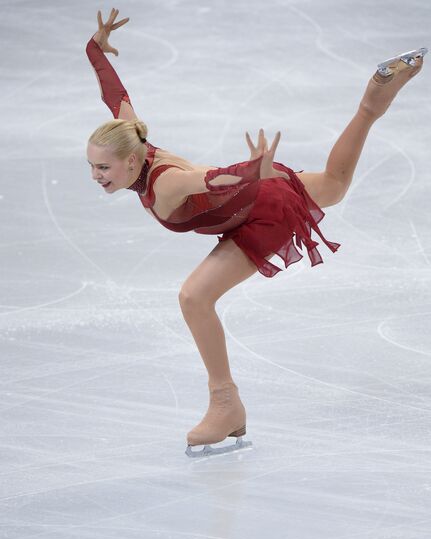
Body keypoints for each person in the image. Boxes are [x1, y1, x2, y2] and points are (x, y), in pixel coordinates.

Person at [86, 8, 427, 458]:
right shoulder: (132, 137)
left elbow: (211, 180)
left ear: (130, 163)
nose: (96, 175)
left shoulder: (164, 182)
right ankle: (372, 99)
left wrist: (250, 171)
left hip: (258, 208)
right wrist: (95, 49)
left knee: (194, 297)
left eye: (103, 167)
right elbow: (116, 95)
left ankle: (224, 402)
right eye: (91, 166)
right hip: (263, 189)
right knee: (336, 184)